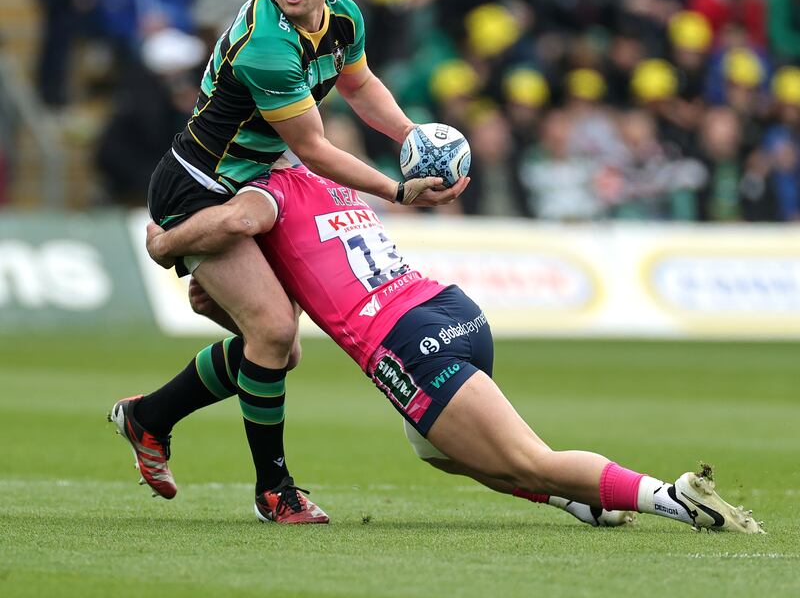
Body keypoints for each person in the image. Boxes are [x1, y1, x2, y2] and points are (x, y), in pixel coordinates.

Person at [127, 160, 764, 534]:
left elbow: (241, 228)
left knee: (529, 459)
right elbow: (291, 297)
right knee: (437, 451)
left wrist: (166, 242)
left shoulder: (261, 189)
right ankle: (582, 498)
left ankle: (675, 498)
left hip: (407, 341)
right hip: (452, 310)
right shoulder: (331, 179)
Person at [117, 0, 467, 524]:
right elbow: (313, 148)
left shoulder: (345, 16)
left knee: (276, 349)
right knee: (274, 333)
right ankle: (274, 493)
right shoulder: (267, 47)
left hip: (259, 178)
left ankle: (149, 418)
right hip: (200, 185)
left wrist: (414, 136)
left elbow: (358, 87)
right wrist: (396, 188)